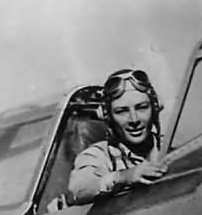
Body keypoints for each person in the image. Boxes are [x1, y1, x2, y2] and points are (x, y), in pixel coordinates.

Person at [68, 68, 168, 203]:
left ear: (155, 108)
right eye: (121, 111)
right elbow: (80, 190)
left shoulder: (168, 146)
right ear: (107, 117)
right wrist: (124, 177)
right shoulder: (97, 155)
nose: (134, 120)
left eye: (142, 107)